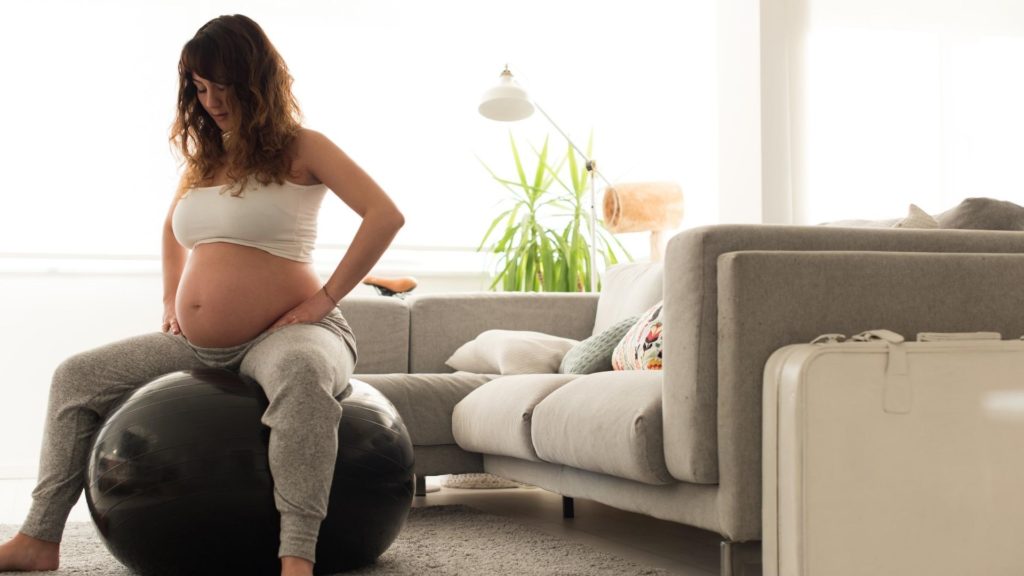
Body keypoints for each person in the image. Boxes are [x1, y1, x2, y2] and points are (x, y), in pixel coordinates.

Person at [0, 14, 403, 576]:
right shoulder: (207, 158)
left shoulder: (303, 147)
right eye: (199, 87)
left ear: (255, 80)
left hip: (291, 334)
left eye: (222, 86)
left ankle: (297, 558)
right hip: (200, 347)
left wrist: (325, 300)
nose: (211, 101)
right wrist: (172, 302)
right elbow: (173, 228)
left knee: (303, 378)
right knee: (76, 376)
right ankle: (38, 539)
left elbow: (385, 215)